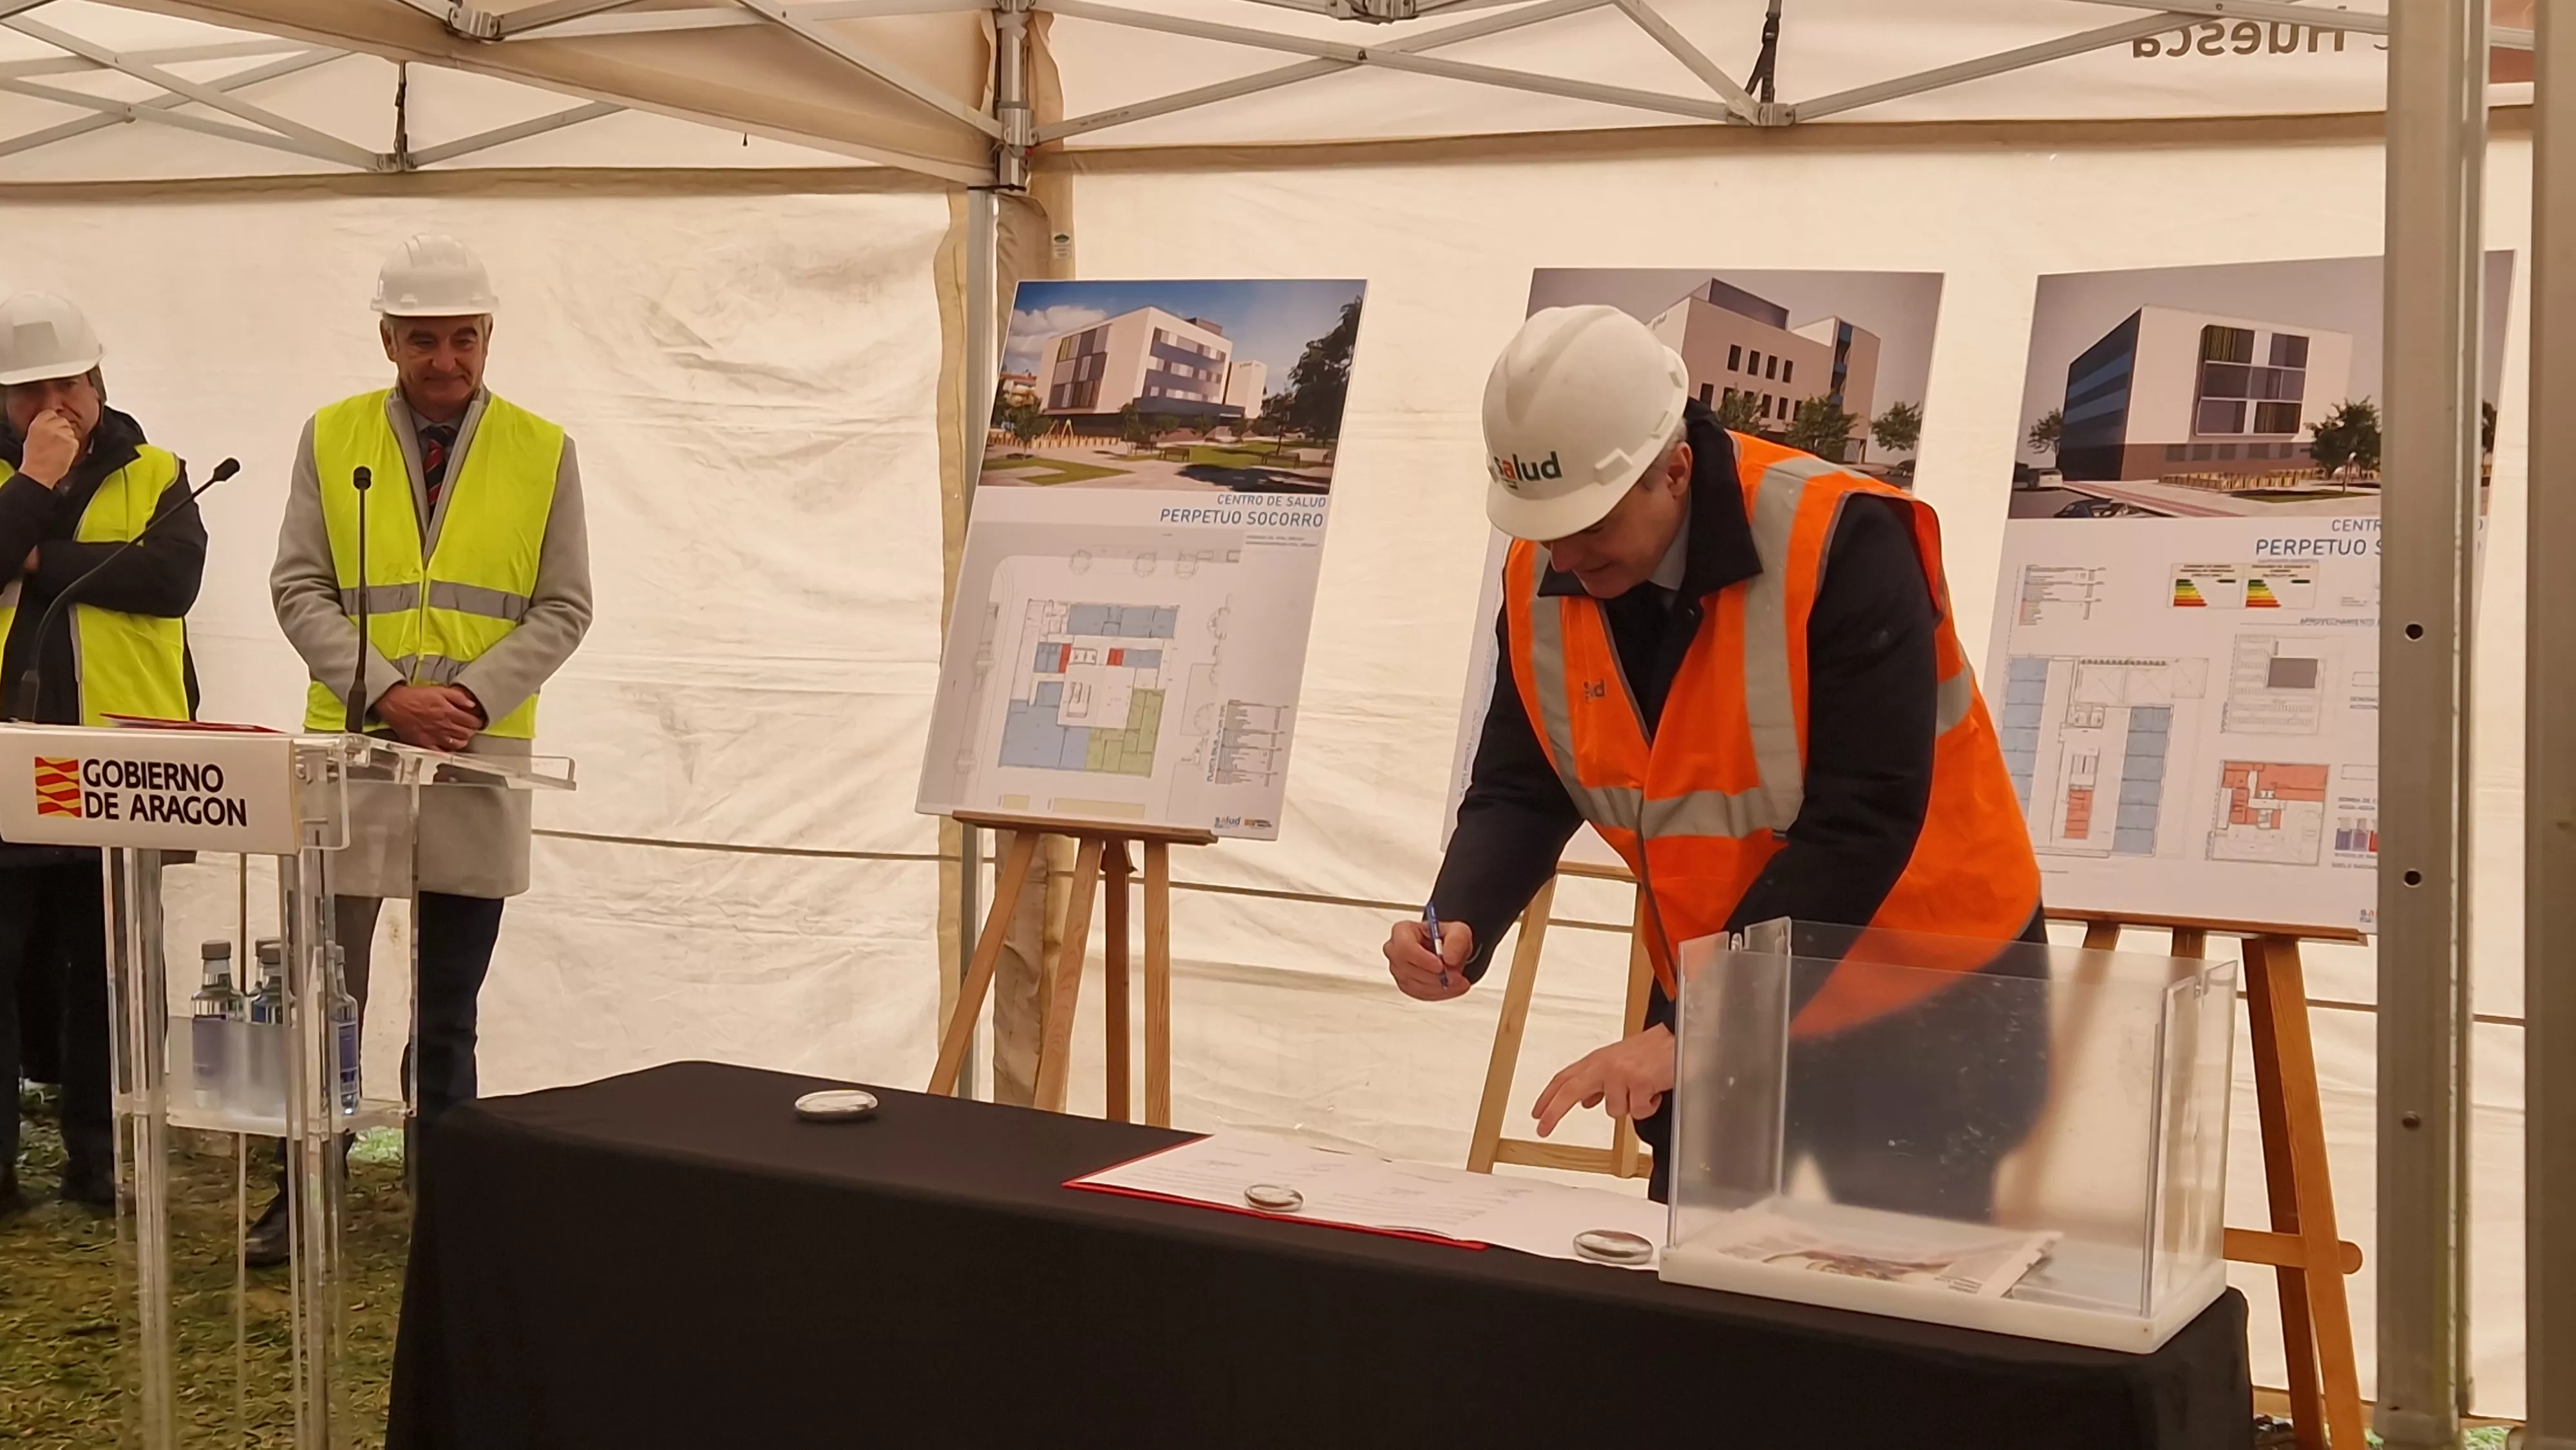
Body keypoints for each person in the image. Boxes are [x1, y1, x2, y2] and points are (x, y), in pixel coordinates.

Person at [1386, 305, 2047, 1216]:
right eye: (1547, 529)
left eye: (1592, 522)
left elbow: (1862, 822)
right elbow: (1521, 785)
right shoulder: (1546, 572)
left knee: (1895, 1327)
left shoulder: (1844, 539)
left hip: (1924, 991)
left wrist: (1694, 1028)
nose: (1568, 560)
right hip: (1733, 986)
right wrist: (1458, 915)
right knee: (1702, 1313)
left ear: (1678, 469)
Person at [251, 235, 592, 1263]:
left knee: (449, 1007)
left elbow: (566, 607)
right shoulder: (332, 436)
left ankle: (449, 1200)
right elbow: (296, 585)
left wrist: (469, 701)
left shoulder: (545, 449)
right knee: (325, 995)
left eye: (463, 338)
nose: (446, 359)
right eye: (424, 339)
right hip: (352, 758)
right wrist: (389, 694)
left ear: (488, 337)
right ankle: (302, 1192)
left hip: (477, 765)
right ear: (388, 338)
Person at [0, 292, 206, 1219]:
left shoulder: (159, 471)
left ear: (97, 379)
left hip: (117, 762)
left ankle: (96, 1169)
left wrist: (38, 555)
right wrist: (35, 484)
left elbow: (170, 579)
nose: (55, 403)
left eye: (69, 383)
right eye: (30, 390)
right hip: (7, 758)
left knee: (106, 973)